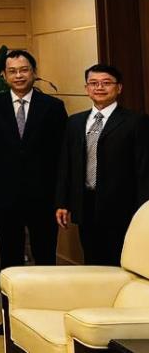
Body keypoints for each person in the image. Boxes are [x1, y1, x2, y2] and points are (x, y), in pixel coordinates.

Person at [0, 50, 67, 336]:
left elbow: (61, 157)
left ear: (33, 72)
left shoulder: (52, 107)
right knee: (10, 259)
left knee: (45, 259)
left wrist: (60, 198)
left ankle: (48, 316)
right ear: (4, 75)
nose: (18, 75)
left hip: (43, 198)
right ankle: (10, 317)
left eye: (24, 69)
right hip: (5, 196)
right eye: (12, 70)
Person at [56, 64, 149, 266]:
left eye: (106, 83)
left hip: (122, 206)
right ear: (86, 88)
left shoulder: (135, 122)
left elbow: (143, 169)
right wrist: (62, 202)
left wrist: (143, 210)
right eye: (94, 83)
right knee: (91, 259)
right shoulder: (75, 122)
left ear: (119, 88)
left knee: (120, 261)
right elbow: (66, 165)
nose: (99, 87)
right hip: (85, 203)